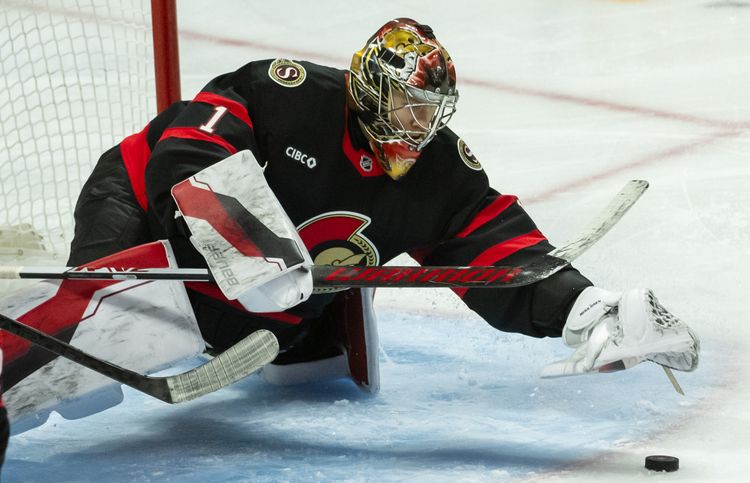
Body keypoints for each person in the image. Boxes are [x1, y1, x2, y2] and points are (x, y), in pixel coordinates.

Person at [59, 18, 700, 390]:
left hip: (262, 294)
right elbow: (190, 145)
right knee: (106, 343)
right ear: (367, 86)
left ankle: (313, 325)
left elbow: (493, 246)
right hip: (141, 206)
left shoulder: (436, 166)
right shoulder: (293, 93)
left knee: (285, 355)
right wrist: (249, 245)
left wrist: (585, 309)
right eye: (405, 106)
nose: (417, 127)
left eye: (430, 113)